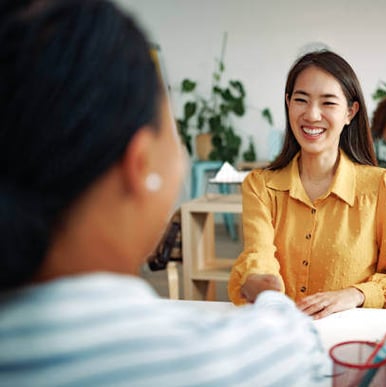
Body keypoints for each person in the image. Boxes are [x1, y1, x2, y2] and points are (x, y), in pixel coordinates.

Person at [0, 1, 328, 385]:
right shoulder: (226, 361)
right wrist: (272, 297)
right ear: (139, 164)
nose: (312, 114)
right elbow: (297, 343)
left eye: (327, 102)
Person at [228, 50, 386, 319]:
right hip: (282, 334)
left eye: (328, 103)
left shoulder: (381, 186)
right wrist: (260, 283)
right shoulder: (261, 186)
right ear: (288, 103)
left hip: (353, 343)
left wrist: (356, 294)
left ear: (350, 112)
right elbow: (259, 256)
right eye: (301, 100)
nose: (312, 114)